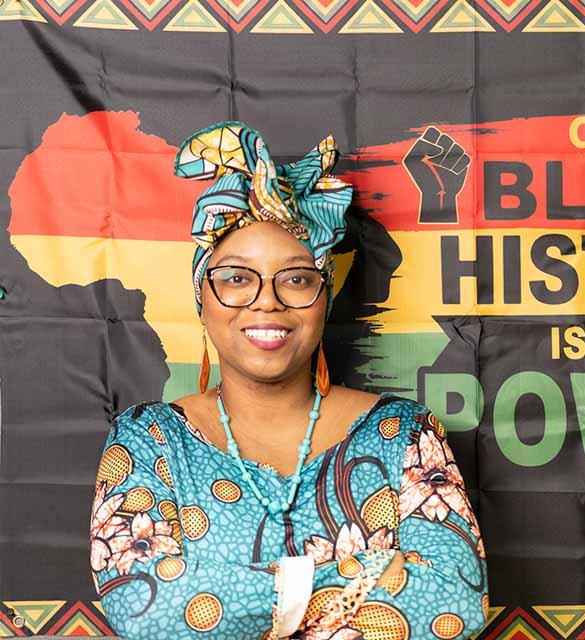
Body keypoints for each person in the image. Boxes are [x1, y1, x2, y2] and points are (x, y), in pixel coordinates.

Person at [88, 121, 488, 640]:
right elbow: (149, 613)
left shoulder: (405, 435)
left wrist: (224, 594)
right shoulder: (149, 441)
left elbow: (454, 603)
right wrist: (366, 573)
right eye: (236, 278)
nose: (267, 300)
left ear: (322, 300)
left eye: (296, 278)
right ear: (202, 303)